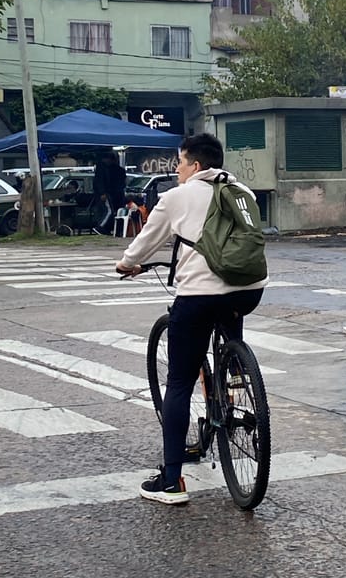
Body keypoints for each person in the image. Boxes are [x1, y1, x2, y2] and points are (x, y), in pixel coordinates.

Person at [116, 133, 268, 505]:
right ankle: (233, 379)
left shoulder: (176, 197)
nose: (177, 170)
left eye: (180, 163)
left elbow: (146, 241)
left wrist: (127, 263)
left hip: (199, 296)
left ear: (195, 165)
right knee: (228, 319)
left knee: (180, 381)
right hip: (249, 290)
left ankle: (171, 481)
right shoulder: (241, 190)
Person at [92, 151, 126, 234]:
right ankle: (101, 227)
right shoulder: (116, 170)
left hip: (109, 193)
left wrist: (102, 192)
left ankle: (103, 227)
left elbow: (99, 181)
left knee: (108, 211)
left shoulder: (103, 169)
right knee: (110, 211)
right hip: (112, 194)